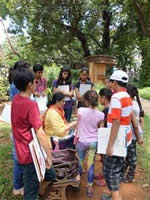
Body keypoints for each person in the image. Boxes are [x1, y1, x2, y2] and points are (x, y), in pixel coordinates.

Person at [11, 68, 55, 200]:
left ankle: (42, 189)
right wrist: (49, 155)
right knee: (31, 191)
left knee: (50, 175)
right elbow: (40, 133)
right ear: (30, 84)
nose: (37, 83)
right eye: (35, 81)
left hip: (22, 148)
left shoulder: (15, 100)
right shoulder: (31, 105)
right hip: (30, 154)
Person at [101, 70, 132, 200]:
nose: (109, 84)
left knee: (110, 173)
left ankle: (115, 197)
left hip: (117, 139)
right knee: (117, 170)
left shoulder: (116, 97)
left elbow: (116, 122)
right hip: (125, 137)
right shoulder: (126, 96)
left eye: (110, 82)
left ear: (114, 82)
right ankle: (115, 195)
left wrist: (110, 146)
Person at [76, 90, 104, 197]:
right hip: (93, 142)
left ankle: (77, 183)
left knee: (80, 162)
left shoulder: (81, 110)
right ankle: (90, 186)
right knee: (91, 164)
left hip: (82, 141)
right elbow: (100, 130)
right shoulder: (101, 115)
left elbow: (78, 124)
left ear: (86, 101)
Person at [9, 60, 30, 196]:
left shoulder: (13, 84)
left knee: (17, 156)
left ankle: (18, 185)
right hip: (21, 124)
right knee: (19, 158)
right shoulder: (18, 87)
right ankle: (18, 186)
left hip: (16, 123)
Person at [123, 84, 144, 183]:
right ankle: (123, 173)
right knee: (128, 155)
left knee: (132, 157)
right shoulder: (134, 102)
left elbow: (135, 125)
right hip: (132, 133)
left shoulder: (131, 106)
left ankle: (130, 176)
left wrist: (139, 137)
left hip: (132, 134)